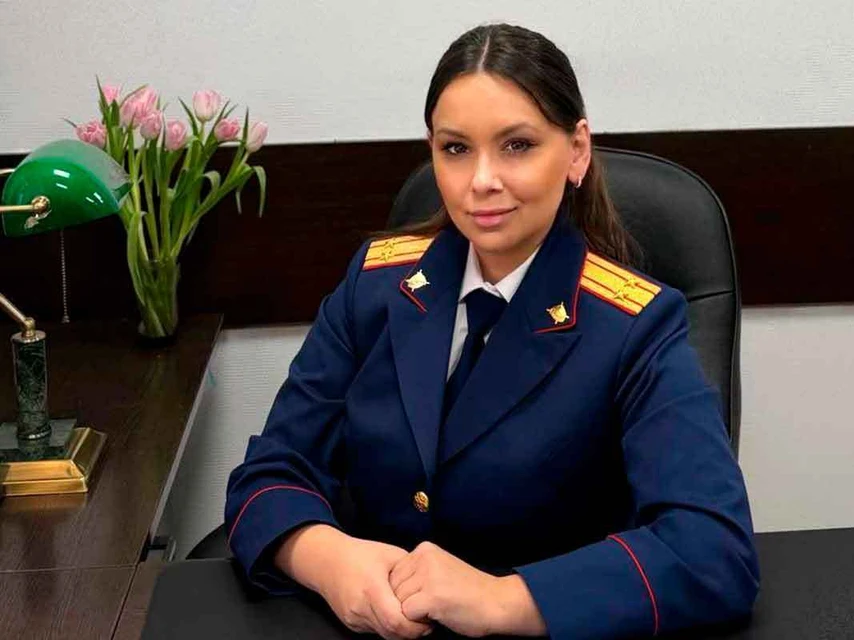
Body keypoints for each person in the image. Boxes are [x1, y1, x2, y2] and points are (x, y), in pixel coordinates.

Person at [225, 23, 759, 640]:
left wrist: (502, 599)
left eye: (517, 146)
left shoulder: (637, 325)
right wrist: (327, 559)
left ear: (577, 151)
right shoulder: (376, 285)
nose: (481, 180)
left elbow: (713, 551)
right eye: (456, 149)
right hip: (374, 625)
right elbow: (272, 469)